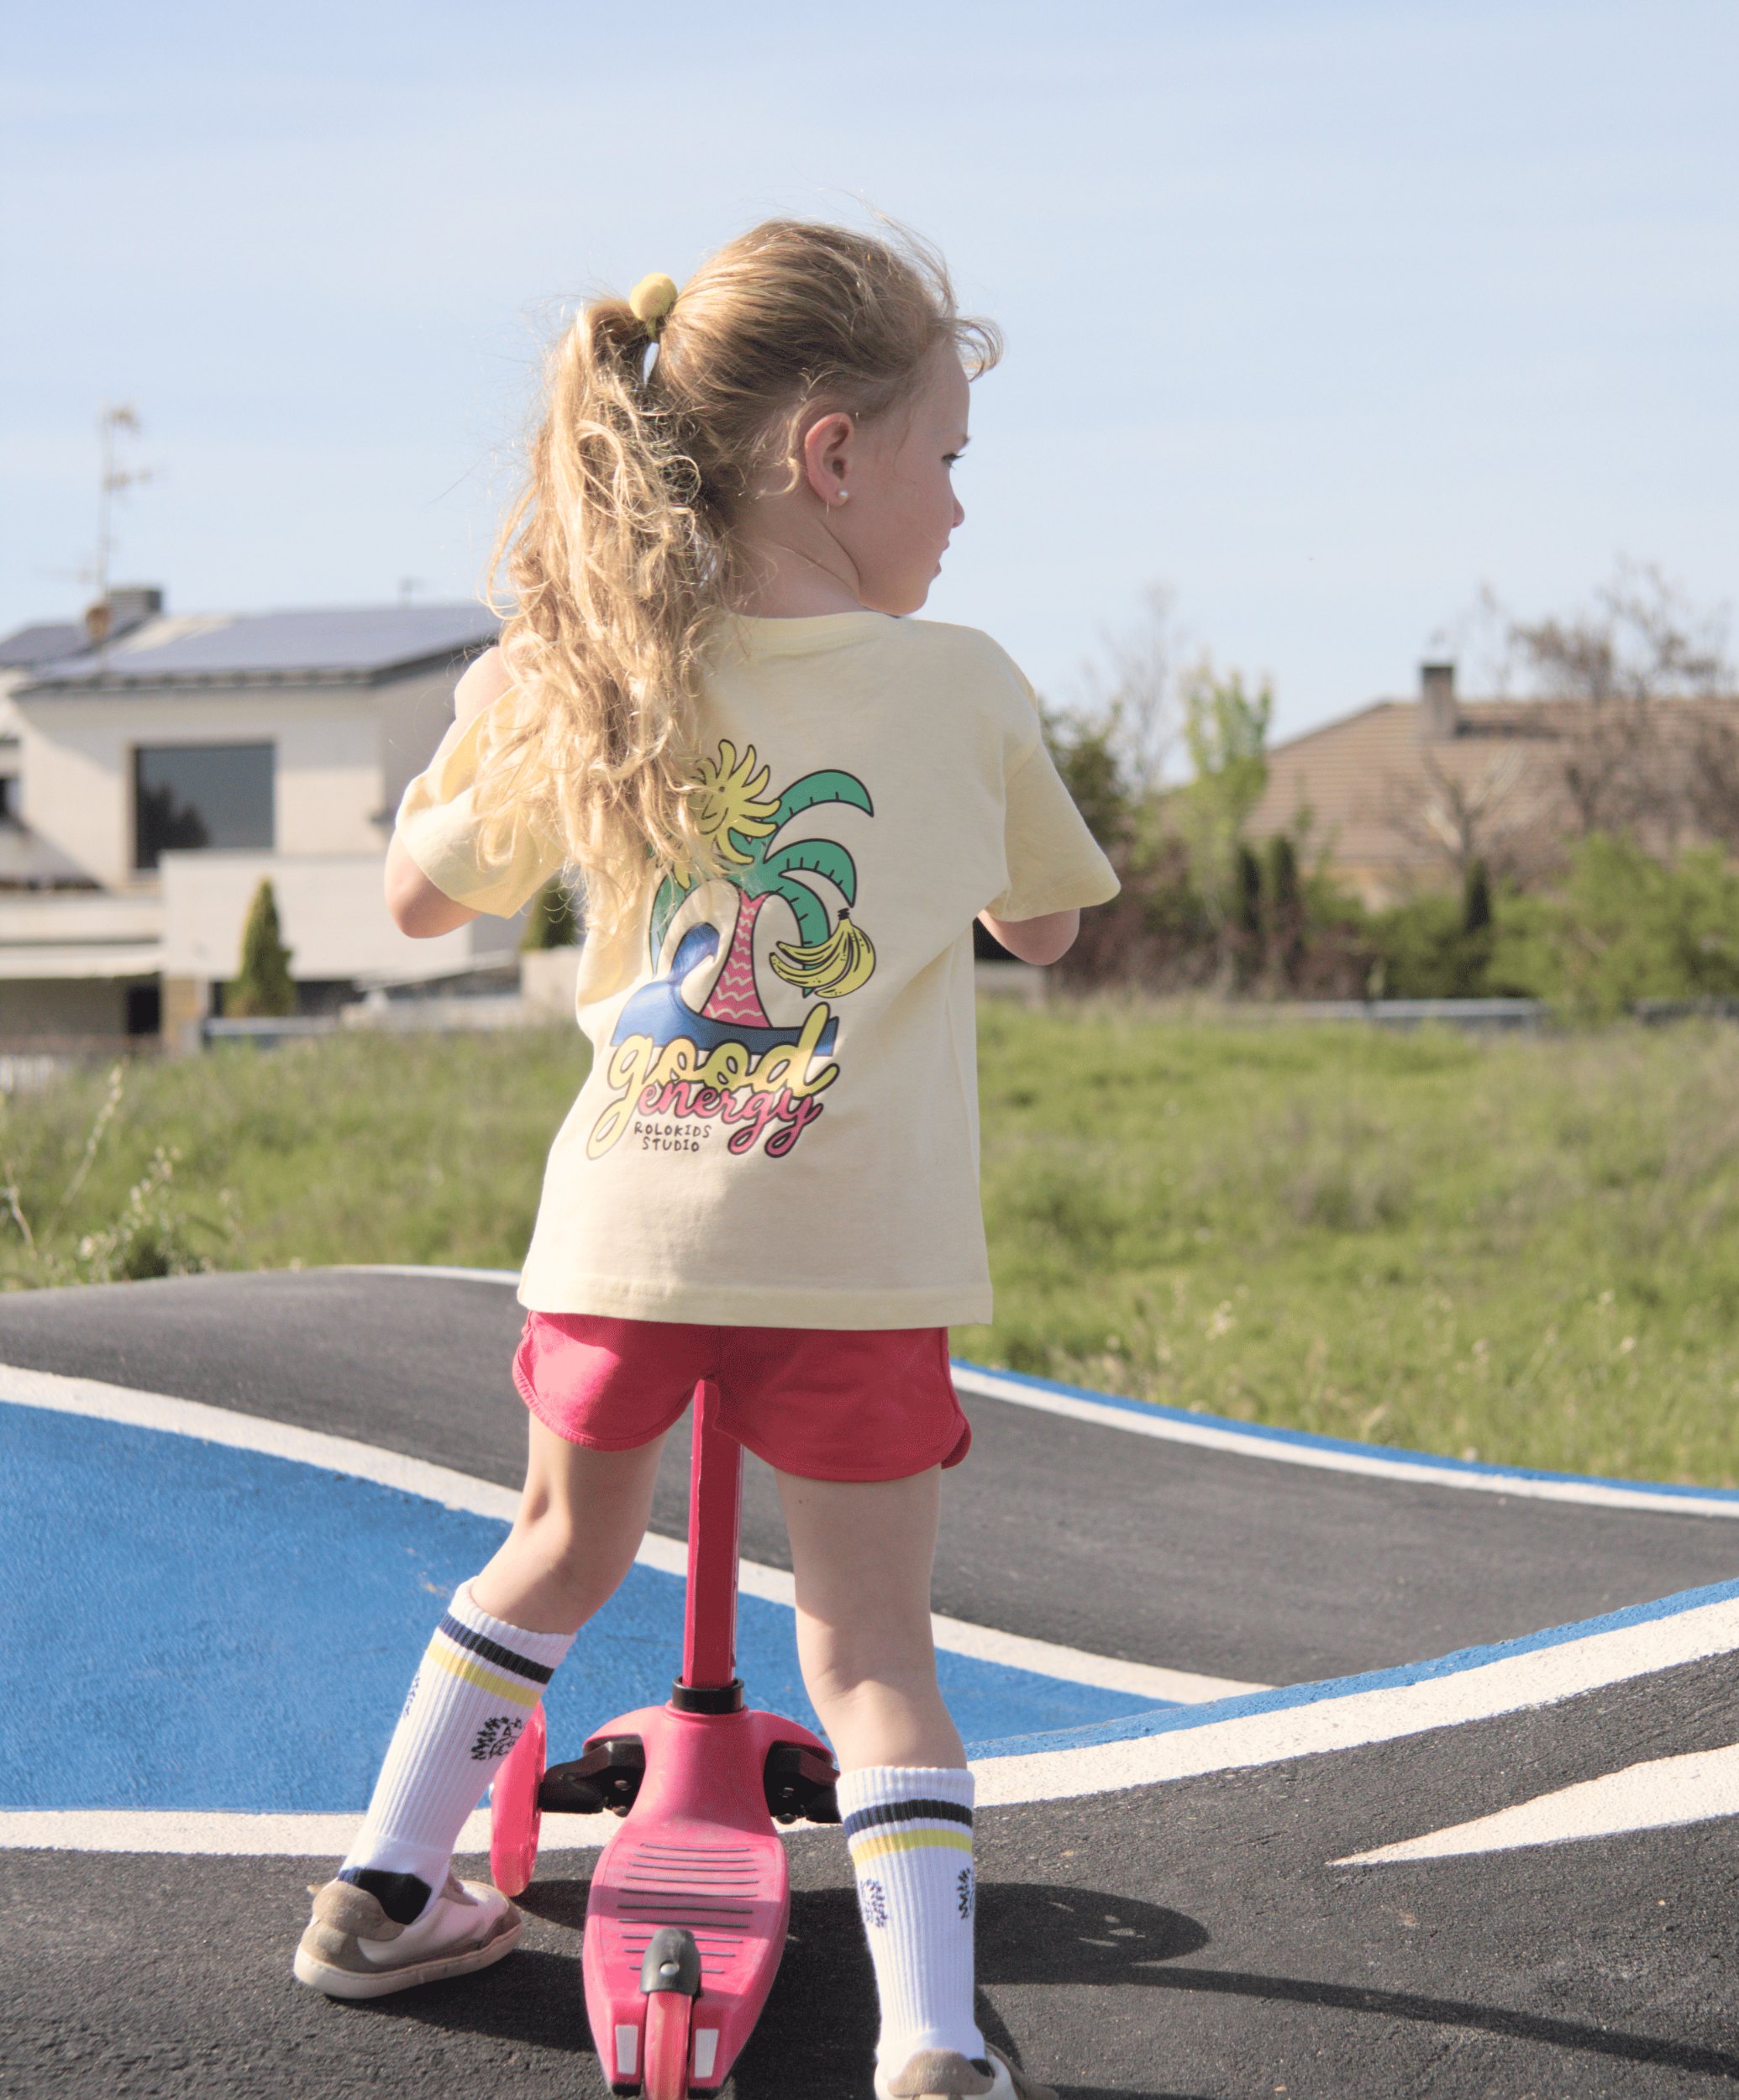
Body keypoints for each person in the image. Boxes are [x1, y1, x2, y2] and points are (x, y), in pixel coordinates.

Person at [292, 219, 1116, 2100]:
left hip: (625, 1231)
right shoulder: (960, 680)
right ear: (834, 457)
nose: (962, 515)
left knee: (557, 1548)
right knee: (869, 1643)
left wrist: (495, 702)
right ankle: (924, 2035)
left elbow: (418, 895)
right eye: (950, 460)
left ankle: (378, 1885)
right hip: (849, 1247)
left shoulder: (586, 673)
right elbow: (1047, 928)